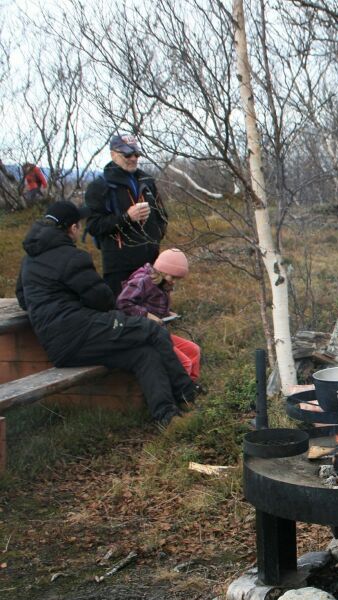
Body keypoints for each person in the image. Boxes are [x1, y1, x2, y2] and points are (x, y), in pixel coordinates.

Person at [16, 201, 195, 427]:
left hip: (59, 347)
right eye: (79, 225)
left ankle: (167, 417)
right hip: (81, 332)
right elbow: (103, 300)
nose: (80, 228)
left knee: (143, 354)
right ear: (72, 228)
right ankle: (189, 395)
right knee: (152, 330)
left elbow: (23, 298)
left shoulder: (29, 260)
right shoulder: (72, 257)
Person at [84, 134, 168, 296]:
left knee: (155, 311)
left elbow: (162, 215)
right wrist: (126, 217)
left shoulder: (147, 181)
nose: (133, 158)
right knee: (126, 313)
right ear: (113, 154)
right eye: (127, 154)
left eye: (136, 154)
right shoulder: (99, 187)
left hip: (150, 260)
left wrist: (156, 236)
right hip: (119, 266)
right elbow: (94, 226)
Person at [116, 248, 202, 383]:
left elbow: (153, 305)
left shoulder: (162, 283)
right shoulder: (142, 280)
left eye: (177, 279)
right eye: (172, 277)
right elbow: (123, 302)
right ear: (161, 270)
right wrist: (148, 316)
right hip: (142, 333)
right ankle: (179, 394)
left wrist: (168, 313)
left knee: (193, 350)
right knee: (184, 363)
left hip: (158, 333)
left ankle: (191, 386)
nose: (173, 281)